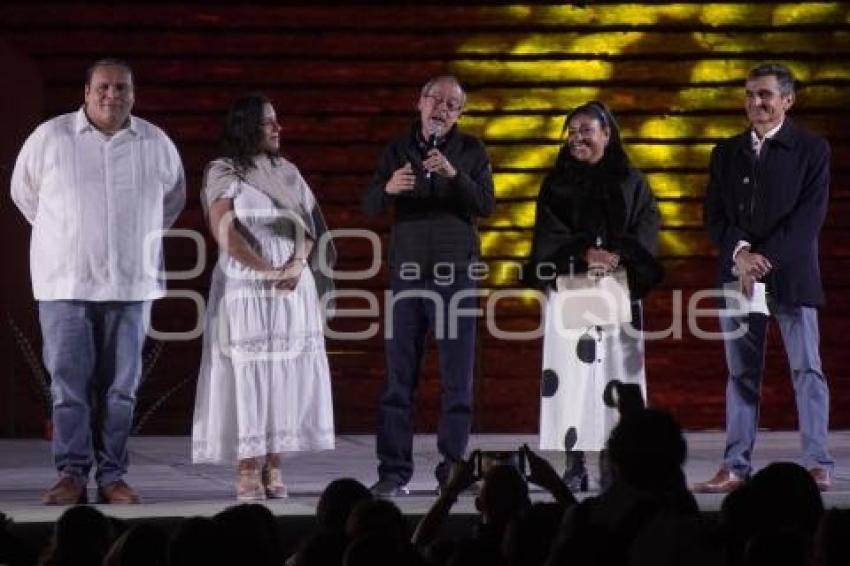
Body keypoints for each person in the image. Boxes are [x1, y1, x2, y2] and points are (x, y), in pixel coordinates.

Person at [11, 58, 186, 505]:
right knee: (68, 390)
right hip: (66, 284)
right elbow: (24, 194)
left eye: (122, 88)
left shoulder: (156, 142)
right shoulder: (51, 138)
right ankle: (71, 475)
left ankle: (112, 476)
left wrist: (131, 241)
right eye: (104, 87)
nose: (113, 95)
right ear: (86, 93)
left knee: (121, 390)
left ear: (133, 94)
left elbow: (171, 201)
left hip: (131, 286)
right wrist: (66, 238)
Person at [695, 62, 834, 493]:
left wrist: (763, 258)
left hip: (791, 276)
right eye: (750, 94)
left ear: (787, 100)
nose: (756, 102)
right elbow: (714, 215)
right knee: (741, 374)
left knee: (807, 370)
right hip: (738, 276)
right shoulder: (725, 152)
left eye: (765, 94)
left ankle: (817, 464)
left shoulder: (811, 149)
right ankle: (735, 467)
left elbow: (809, 218)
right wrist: (740, 254)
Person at [191, 93, 335, 500]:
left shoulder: (287, 171)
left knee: (282, 372)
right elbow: (223, 229)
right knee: (248, 371)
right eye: (268, 122)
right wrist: (267, 270)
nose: (277, 128)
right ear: (247, 126)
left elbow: (310, 227)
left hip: (291, 282)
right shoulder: (225, 170)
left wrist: (296, 264)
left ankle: (274, 462)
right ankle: (247, 465)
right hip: (246, 282)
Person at [363, 75, 495, 496]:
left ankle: (452, 467)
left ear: (460, 114)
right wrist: (388, 188)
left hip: (455, 277)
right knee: (399, 379)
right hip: (407, 276)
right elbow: (370, 204)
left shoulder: (471, 151)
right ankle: (393, 471)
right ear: (419, 102)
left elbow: (486, 205)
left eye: (453, 105)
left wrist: (454, 175)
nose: (443, 109)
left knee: (457, 380)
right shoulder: (397, 150)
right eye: (437, 100)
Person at [521, 101, 662, 492]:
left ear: (606, 134)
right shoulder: (557, 183)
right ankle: (574, 463)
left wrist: (617, 255)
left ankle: (618, 462)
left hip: (618, 287)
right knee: (572, 377)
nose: (577, 138)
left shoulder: (632, 180)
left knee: (619, 377)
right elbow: (548, 234)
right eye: (572, 131)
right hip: (572, 289)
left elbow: (647, 226)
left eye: (585, 130)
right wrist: (584, 253)